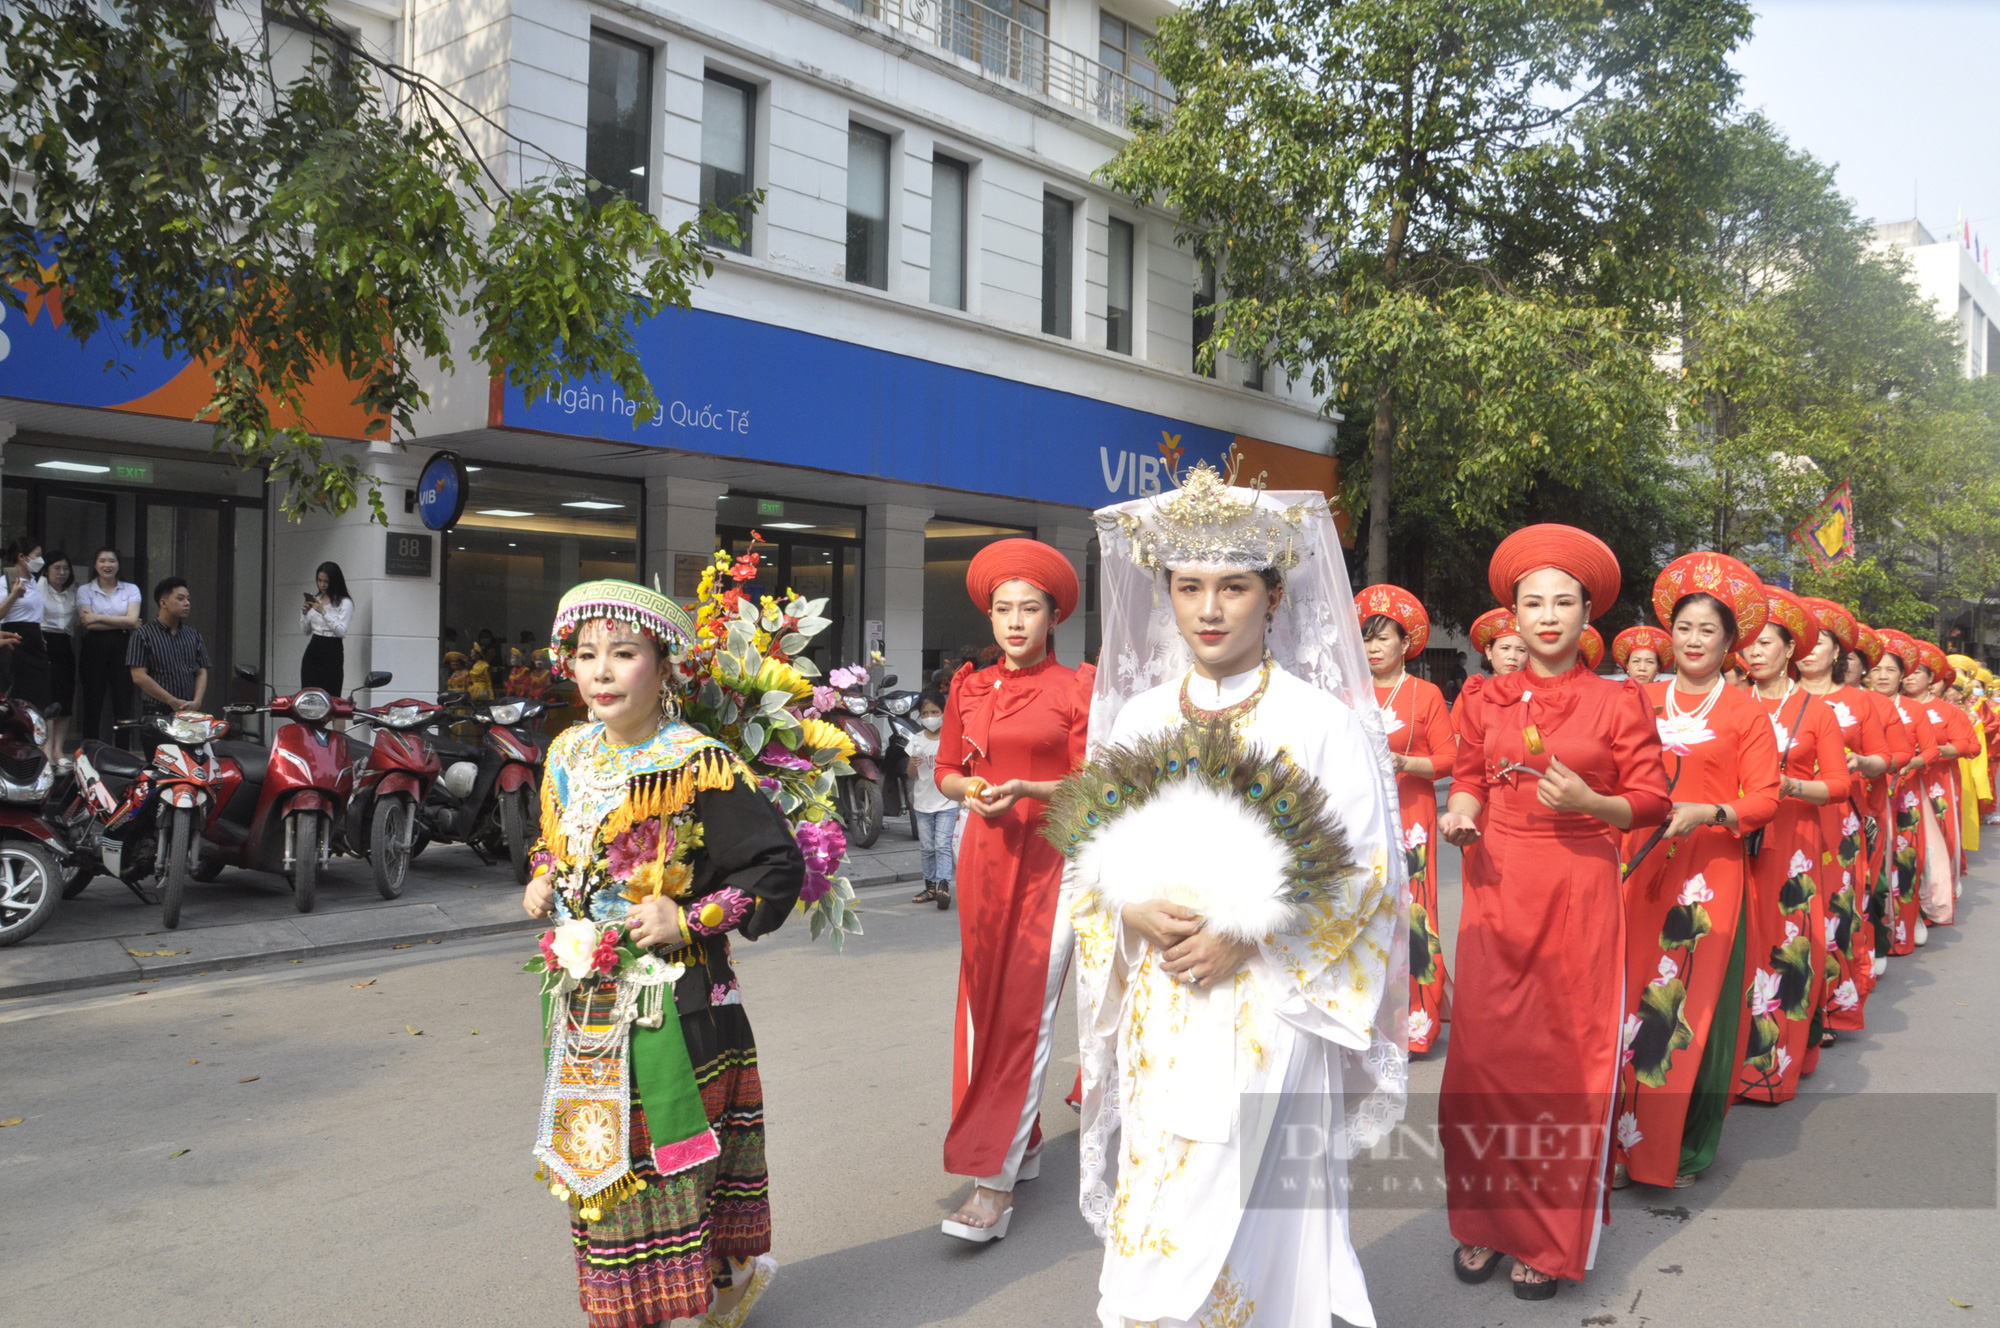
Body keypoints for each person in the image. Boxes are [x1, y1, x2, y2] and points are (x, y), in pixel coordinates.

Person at [1070, 462, 1405, 1328]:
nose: (1209, 609)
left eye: (1232, 586)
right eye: (1188, 587)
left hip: (1269, 999)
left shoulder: (1318, 721)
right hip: (1162, 996)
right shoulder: (1141, 717)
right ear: (1167, 596)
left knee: (1251, 1195)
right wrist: (1129, 904)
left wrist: (1247, 934)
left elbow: (1365, 868)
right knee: (1161, 1177)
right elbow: (1093, 856)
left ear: (1274, 597)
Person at [521, 579, 805, 1328]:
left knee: (659, 1163)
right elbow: (560, 842)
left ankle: (688, 1290)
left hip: (675, 1000)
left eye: (624, 653)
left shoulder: (697, 762)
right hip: (584, 998)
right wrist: (543, 876)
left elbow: (776, 866)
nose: (602, 672)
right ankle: (661, 1297)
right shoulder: (567, 753)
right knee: (598, 1160)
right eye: (587, 656)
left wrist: (692, 916)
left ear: (664, 666)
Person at [1438, 525, 1669, 1299]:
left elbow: (1650, 801)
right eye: (1531, 602)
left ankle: (1546, 1238)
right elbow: (1467, 775)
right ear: (1510, 614)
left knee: (1560, 1064)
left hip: (1577, 887)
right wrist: (1460, 813)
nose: (1546, 615)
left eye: (1562, 601)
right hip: (1496, 883)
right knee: (1481, 1060)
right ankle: (1481, 1223)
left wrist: (1589, 800)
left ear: (1586, 613)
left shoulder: (1617, 699)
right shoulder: (1482, 695)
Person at [931, 538, 1091, 1242]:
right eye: (1004, 609)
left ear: (1052, 616)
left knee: (1025, 1008)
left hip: (1053, 862)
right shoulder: (967, 686)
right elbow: (943, 771)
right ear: (990, 617)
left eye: (1030, 609)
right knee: (979, 1006)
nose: (1016, 621)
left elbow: (1096, 784)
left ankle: (991, 1184)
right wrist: (969, 788)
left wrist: (1030, 788)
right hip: (984, 857)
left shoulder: (1078, 687)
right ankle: (1018, 1142)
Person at [1616, 552, 1778, 1191]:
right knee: (1628, 1000)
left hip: (1708, 878)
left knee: (1687, 1001)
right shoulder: (1638, 697)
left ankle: (1676, 1145)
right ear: (1669, 633)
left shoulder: (1744, 712)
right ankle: (1620, 1142)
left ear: (1729, 642)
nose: (1693, 640)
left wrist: (1710, 810)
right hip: (1637, 864)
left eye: (1708, 630)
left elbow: (1763, 796)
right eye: (1684, 628)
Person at [1733, 588, 1847, 1104]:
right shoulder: (1729, 703)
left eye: (1766, 643)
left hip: (1792, 842)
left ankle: (1777, 1061)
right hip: (1735, 838)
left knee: (1790, 944)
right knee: (1741, 940)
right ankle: (1731, 1058)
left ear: (1789, 649)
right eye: (1748, 645)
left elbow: (1839, 786)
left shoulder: (1815, 711)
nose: (1754, 653)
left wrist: (1790, 786)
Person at [1356, 583, 1454, 1054]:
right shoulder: (1347, 694)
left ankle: (1418, 1019)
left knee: (1413, 913)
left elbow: (1451, 759)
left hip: (1413, 814)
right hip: (1362, 817)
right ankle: (1365, 1017)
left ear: (1404, 643)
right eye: (1366, 639)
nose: (1374, 648)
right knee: (1365, 910)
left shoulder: (1425, 694)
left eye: (1383, 638)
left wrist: (1405, 763)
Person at [1797, 597, 1891, 1036]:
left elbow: (1883, 759)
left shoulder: (1860, 701)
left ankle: (1831, 1006)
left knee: (1836, 912)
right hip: (1784, 816)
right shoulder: (1768, 698)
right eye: (1805, 641)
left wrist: (1859, 764)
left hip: (1840, 817)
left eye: (1823, 642)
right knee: (1792, 908)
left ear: (1837, 653)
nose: (1812, 649)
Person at [1867, 629, 1937, 959]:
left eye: (1890, 670)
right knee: (1870, 866)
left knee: (1905, 861)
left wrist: (1906, 766)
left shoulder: (1914, 709)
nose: (1882, 675)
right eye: (1877, 668)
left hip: (1903, 795)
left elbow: (1932, 750)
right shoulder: (1857, 703)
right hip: (1864, 796)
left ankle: (1909, 923)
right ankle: (1873, 935)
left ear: (1902, 676)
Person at [76, 547, 141, 745]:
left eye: (111, 561)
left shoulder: (131, 589)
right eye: (102, 561)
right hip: (93, 646)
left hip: (123, 646)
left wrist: (98, 617)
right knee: (92, 701)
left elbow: (133, 621)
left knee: (122, 701)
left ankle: (122, 751)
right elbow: (87, 623)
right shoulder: (85, 590)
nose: (107, 565)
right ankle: (90, 751)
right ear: (95, 565)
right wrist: (122, 620)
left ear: (118, 564)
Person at [128, 578, 210, 724]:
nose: (187, 603)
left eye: (188, 599)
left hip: (188, 713)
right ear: (163, 602)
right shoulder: (142, 635)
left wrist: (197, 702)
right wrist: (171, 700)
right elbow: (138, 676)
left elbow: (201, 671)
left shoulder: (193, 635)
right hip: (157, 713)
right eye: (180, 598)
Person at [906, 689, 957, 909]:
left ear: (944, 712)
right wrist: (912, 764)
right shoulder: (916, 740)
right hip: (923, 803)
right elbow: (910, 774)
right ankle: (929, 888)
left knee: (942, 845)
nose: (930, 717)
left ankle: (943, 887)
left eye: (934, 711)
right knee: (927, 847)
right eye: (925, 713)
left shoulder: (951, 737)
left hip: (947, 801)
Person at [0, 537, 51, 714]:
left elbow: (34, 614)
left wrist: (40, 636)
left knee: (39, 691)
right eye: (37, 555)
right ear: (22, 557)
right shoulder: (5, 582)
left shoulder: (33, 582)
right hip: (14, 636)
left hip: (34, 637)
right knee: (19, 689)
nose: (40, 559)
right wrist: (13, 595)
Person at [38, 551, 77, 769]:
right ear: (46, 570)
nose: (62, 573)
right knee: (48, 698)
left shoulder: (73, 594)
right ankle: (46, 750)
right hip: (44, 642)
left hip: (65, 644)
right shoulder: (39, 589)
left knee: (64, 698)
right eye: (57, 568)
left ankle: (58, 750)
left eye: (65, 568)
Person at [299, 560, 353, 694]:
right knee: (309, 692)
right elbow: (306, 631)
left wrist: (324, 612)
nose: (322, 585)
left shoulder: (344, 603)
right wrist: (305, 613)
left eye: (326, 581)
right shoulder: (316, 599)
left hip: (332, 648)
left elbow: (341, 631)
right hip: (314, 646)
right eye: (319, 580)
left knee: (331, 692)